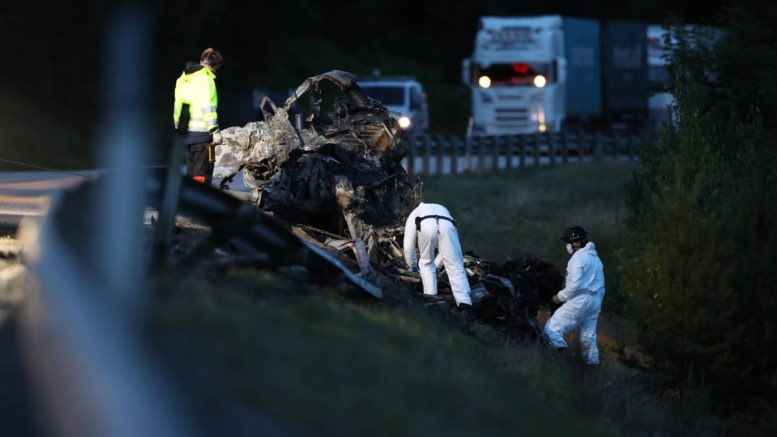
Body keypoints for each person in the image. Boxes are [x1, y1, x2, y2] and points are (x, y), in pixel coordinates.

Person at [543, 226, 606, 365]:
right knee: (588, 339)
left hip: (580, 300)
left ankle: (563, 362)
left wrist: (558, 297)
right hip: (595, 301)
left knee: (551, 330)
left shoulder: (577, 258)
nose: (567, 246)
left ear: (575, 242)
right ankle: (592, 369)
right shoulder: (596, 259)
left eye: (568, 242)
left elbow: (574, 286)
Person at [403, 202, 473, 314]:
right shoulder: (442, 207)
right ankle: (466, 307)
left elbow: (408, 245)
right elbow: (444, 253)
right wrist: (437, 265)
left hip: (426, 225)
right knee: (455, 265)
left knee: (426, 263)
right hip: (448, 225)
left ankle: (432, 301)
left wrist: (412, 268)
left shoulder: (414, 213)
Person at [173, 48, 223, 184]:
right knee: (202, 173)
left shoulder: (182, 79)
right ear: (212, 66)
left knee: (192, 172)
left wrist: (179, 129)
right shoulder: (207, 80)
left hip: (185, 135)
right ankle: (201, 200)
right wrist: (214, 130)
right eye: (217, 67)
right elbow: (208, 108)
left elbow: (178, 106)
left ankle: (191, 200)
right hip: (202, 135)